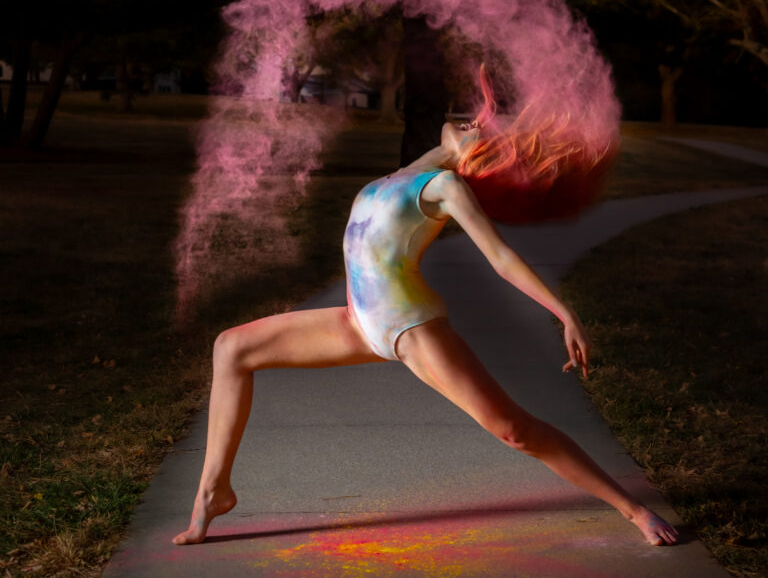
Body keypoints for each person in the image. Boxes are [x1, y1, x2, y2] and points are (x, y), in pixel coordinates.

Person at [173, 102, 678, 548]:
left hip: (411, 327)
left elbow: (500, 258)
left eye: (485, 129)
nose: (474, 121)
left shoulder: (446, 185)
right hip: (356, 322)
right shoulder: (401, 176)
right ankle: (214, 493)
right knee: (230, 348)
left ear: (481, 156)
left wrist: (564, 312)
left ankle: (633, 509)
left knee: (513, 430)